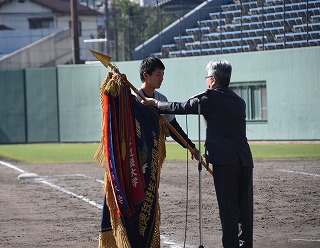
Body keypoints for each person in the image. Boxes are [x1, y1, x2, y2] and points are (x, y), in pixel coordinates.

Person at [142, 59, 254, 248]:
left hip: (225, 163)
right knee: (245, 211)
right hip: (245, 161)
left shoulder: (209, 98)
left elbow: (182, 107)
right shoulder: (239, 101)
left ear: (213, 80)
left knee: (228, 211)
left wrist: (155, 103)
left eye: (207, 78)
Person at [135, 57, 198, 157]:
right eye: (158, 75)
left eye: (163, 75)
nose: (162, 79)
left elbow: (173, 127)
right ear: (146, 75)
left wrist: (191, 146)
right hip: (136, 150)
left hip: (154, 150)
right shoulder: (134, 98)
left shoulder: (162, 99)